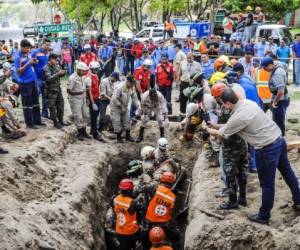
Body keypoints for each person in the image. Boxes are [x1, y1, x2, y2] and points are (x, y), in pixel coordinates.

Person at [205, 88, 300, 224]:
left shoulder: (238, 117)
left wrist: (207, 129)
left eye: (223, 104)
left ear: (227, 103)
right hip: (278, 139)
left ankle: (264, 216)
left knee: (267, 184)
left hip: (266, 148)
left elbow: (222, 134)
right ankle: (298, 200)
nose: (223, 107)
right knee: (287, 172)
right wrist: (216, 125)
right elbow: (233, 125)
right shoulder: (247, 103)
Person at [209, 83, 248, 209]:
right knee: (242, 172)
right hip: (242, 143)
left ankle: (232, 201)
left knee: (230, 174)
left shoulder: (224, 111)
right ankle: (242, 198)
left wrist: (210, 130)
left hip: (230, 147)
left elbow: (222, 132)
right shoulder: (239, 105)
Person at [142, 172, 180, 246]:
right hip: (164, 223)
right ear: (172, 183)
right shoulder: (173, 197)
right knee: (176, 237)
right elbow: (173, 212)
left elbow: (141, 189)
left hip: (150, 220)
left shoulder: (155, 188)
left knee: (145, 240)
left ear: (161, 180)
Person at [15, 39, 44, 129]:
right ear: (22, 47)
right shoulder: (18, 58)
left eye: (29, 48)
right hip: (25, 83)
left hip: (33, 82)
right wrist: (28, 63)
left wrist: (33, 61)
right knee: (27, 104)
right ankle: (29, 123)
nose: (28, 50)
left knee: (36, 102)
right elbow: (19, 72)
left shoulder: (28, 54)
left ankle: (37, 121)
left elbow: (30, 63)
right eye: (27, 48)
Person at [261, 57, 289, 136]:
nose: (264, 69)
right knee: (276, 119)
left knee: (279, 121)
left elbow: (281, 92)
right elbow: (285, 65)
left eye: (264, 67)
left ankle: (281, 138)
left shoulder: (277, 74)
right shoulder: (277, 64)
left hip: (281, 100)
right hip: (278, 97)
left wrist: (275, 102)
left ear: (270, 65)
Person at [112, 179, 141, 250]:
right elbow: (140, 210)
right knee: (144, 231)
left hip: (119, 231)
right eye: (132, 189)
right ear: (128, 190)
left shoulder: (115, 199)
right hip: (131, 232)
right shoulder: (132, 202)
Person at [110, 75, 139, 143]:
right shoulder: (120, 87)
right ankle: (119, 138)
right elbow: (114, 98)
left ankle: (127, 136)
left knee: (127, 120)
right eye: (132, 83)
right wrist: (121, 106)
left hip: (125, 106)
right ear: (128, 81)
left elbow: (135, 98)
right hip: (116, 106)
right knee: (117, 121)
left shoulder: (132, 88)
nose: (133, 84)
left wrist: (138, 107)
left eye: (134, 83)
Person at [67, 62, 91, 141]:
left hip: (83, 99)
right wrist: (79, 92)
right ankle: (80, 133)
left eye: (85, 71)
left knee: (85, 115)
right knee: (78, 116)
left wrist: (87, 98)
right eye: (83, 71)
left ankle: (84, 131)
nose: (84, 72)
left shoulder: (83, 77)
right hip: (75, 100)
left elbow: (84, 89)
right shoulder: (72, 78)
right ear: (78, 70)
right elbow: (69, 90)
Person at [44, 53, 67, 129]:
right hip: (51, 90)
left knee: (61, 105)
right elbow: (49, 79)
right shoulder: (46, 67)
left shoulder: (56, 66)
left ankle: (61, 121)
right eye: (55, 59)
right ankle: (55, 122)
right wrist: (58, 74)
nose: (56, 61)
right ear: (51, 59)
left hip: (58, 88)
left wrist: (63, 72)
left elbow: (60, 74)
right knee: (52, 107)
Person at [31, 38, 51, 118]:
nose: (48, 46)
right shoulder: (35, 52)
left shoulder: (48, 53)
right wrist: (34, 77)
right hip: (37, 79)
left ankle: (45, 114)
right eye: (46, 45)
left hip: (46, 78)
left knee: (45, 97)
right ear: (42, 44)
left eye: (49, 45)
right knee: (35, 96)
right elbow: (31, 65)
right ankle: (33, 114)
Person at [86, 61, 106, 142]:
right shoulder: (89, 77)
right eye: (96, 69)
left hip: (96, 97)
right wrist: (93, 103)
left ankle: (92, 130)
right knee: (94, 116)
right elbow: (89, 91)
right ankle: (95, 133)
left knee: (95, 115)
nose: (97, 70)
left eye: (97, 69)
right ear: (91, 69)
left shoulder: (95, 75)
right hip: (92, 99)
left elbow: (96, 87)